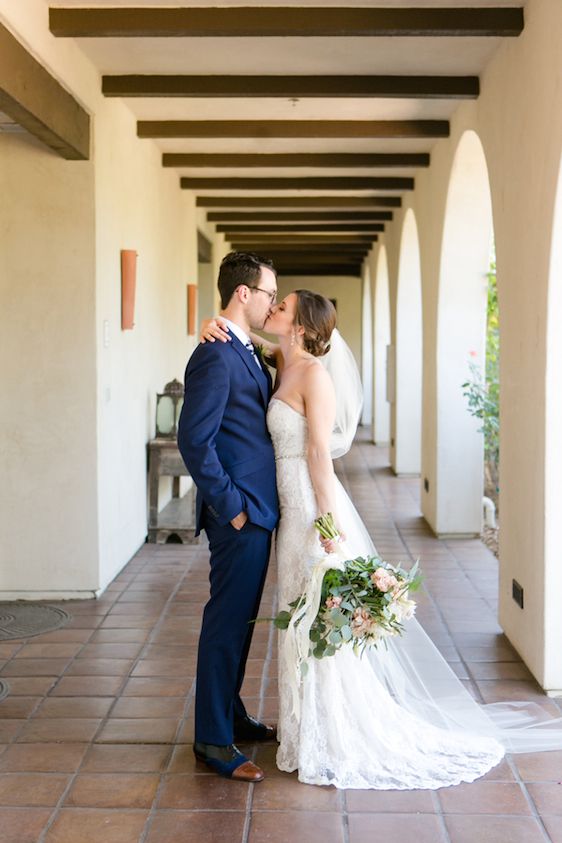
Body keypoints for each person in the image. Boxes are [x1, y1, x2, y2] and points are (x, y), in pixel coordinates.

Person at [201, 287, 562, 790]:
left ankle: (331, 732)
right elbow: (237, 349)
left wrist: (328, 525)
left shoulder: (315, 377)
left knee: (313, 618)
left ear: (301, 325)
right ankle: (307, 727)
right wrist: (209, 325)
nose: (272, 309)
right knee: (296, 618)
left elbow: (320, 460)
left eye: (281, 307)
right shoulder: (275, 362)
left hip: (308, 509)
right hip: (282, 508)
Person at [177, 251, 280, 783]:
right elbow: (193, 440)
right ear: (243, 293)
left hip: (260, 510)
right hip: (240, 512)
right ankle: (213, 741)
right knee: (224, 623)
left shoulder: (240, 347)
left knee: (240, 623)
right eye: (268, 294)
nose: (271, 303)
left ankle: (231, 715)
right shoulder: (215, 355)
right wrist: (233, 507)